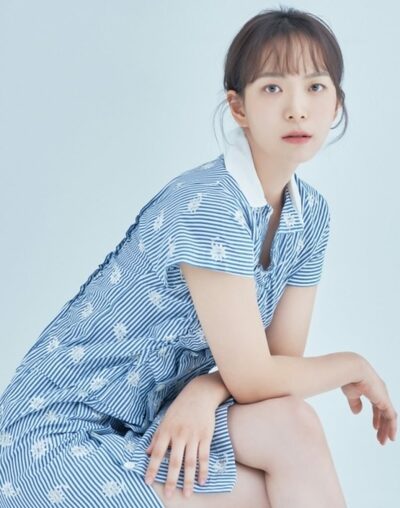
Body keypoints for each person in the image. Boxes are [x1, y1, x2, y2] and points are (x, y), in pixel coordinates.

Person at [0, 6, 397, 508]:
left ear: (336, 102)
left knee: (291, 423)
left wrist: (205, 391)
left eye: (316, 87)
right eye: (273, 88)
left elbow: (277, 367)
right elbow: (254, 378)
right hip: (58, 435)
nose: (298, 109)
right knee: (269, 493)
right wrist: (352, 365)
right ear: (239, 107)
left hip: (159, 421)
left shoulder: (311, 215)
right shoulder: (210, 203)